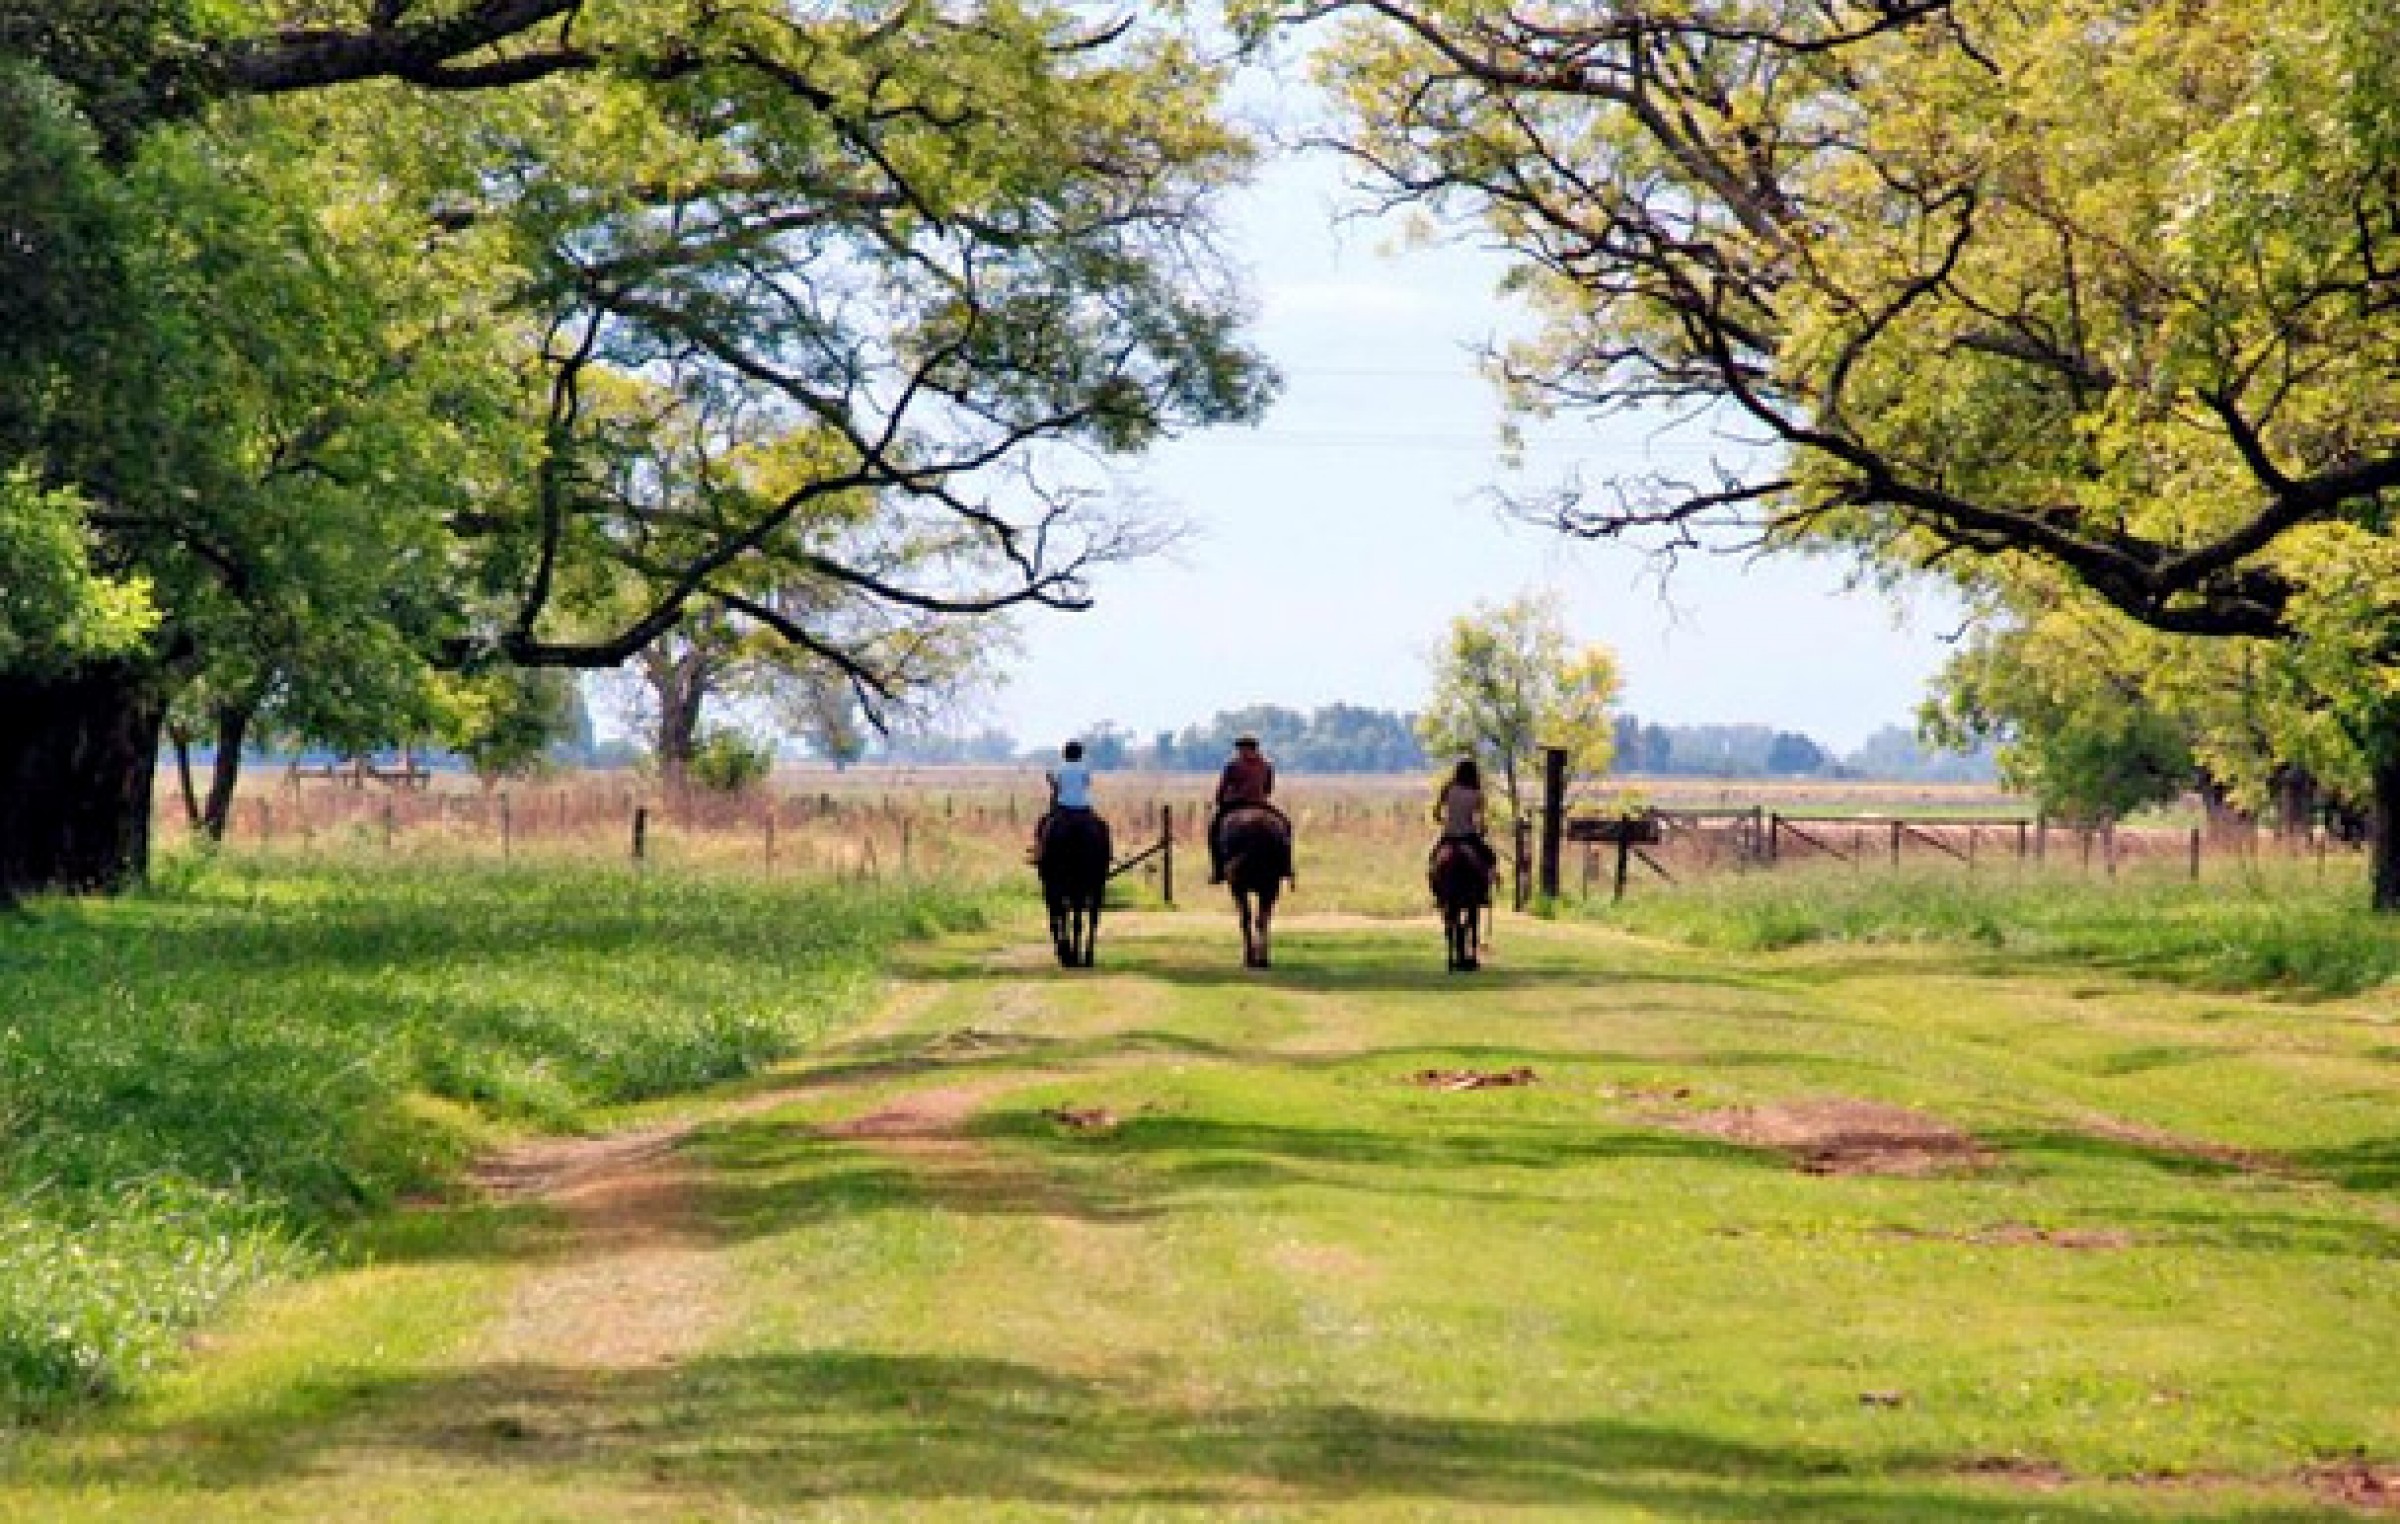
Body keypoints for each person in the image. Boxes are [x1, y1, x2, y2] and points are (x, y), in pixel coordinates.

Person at [1208, 733, 1287, 883]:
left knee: (1213, 829)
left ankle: (1218, 870)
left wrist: (1220, 800)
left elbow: (1223, 787)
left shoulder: (1233, 765)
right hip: (1260, 803)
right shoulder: (1266, 764)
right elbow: (1269, 788)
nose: (1241, 752)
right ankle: (1286, 866)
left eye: (1242, 749)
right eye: (1240, 749)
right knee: (1286, 825)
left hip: (1235, 803)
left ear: (1250, 749)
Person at [1430, 756, 1499, 878]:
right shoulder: (1477, 793)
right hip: (1468, 836)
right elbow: (1481, 822)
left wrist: (1446, 822)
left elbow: (1436, 814)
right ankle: (1492, 880)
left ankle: (1433, 882)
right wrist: (1482, 829)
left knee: (1433, 859)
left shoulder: (1448, 788)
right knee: (1491, 857)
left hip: (1449, 835)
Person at [1031, 740, 1095, 859]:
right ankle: (1108, 855)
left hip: (1063, 807)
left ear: (1065, 754)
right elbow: (1086, 785)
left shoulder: (1060, 769)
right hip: (1083, 808)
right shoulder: (1085, 768)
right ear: (1080, 754)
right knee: (1103, 827)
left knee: (1042, 823)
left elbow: (1057, 788)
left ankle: (1038, 852)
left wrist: (1050, 780)